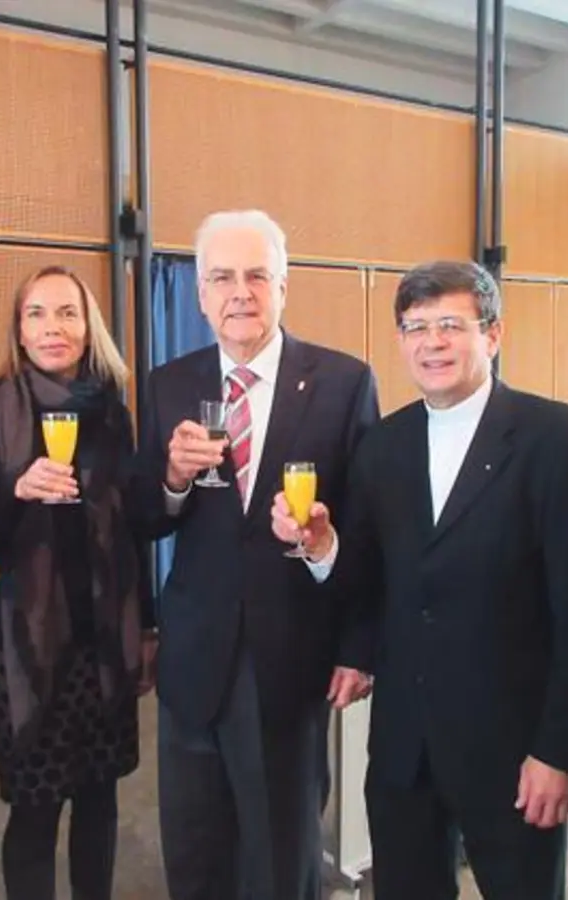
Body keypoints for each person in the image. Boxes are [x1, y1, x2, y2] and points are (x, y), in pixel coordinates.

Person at [270, 260, 568, 899]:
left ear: (492, 335)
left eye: (450, 325)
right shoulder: (384, 445)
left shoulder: (557, 437)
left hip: (512, 747)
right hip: (404, 743)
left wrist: (559, 751)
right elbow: (373, 576)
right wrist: (324, 546)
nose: (432, 342)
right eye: (415, 327)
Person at [137, 209, 379, 900]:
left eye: (255, 275)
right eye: (221, 277)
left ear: (283, 285)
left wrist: (359, 646)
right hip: (193, 660)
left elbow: (367, 528)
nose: (239, 292)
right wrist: (172, 479)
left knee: (279, 856)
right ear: (199, 294)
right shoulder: (168, 384)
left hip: (291, 655)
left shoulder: (342, 382)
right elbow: (142, 515)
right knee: (194, 850)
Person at [0, 266, 154, 900]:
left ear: (87, 324)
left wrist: (146, 627)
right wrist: (14, 493)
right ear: (18, 329)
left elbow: (131, 536)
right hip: (30, 650)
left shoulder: (112, 414)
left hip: (105, 644)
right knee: (36, 811)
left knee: (100, 804)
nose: (52, 328)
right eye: (36, 314)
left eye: (66, 312)